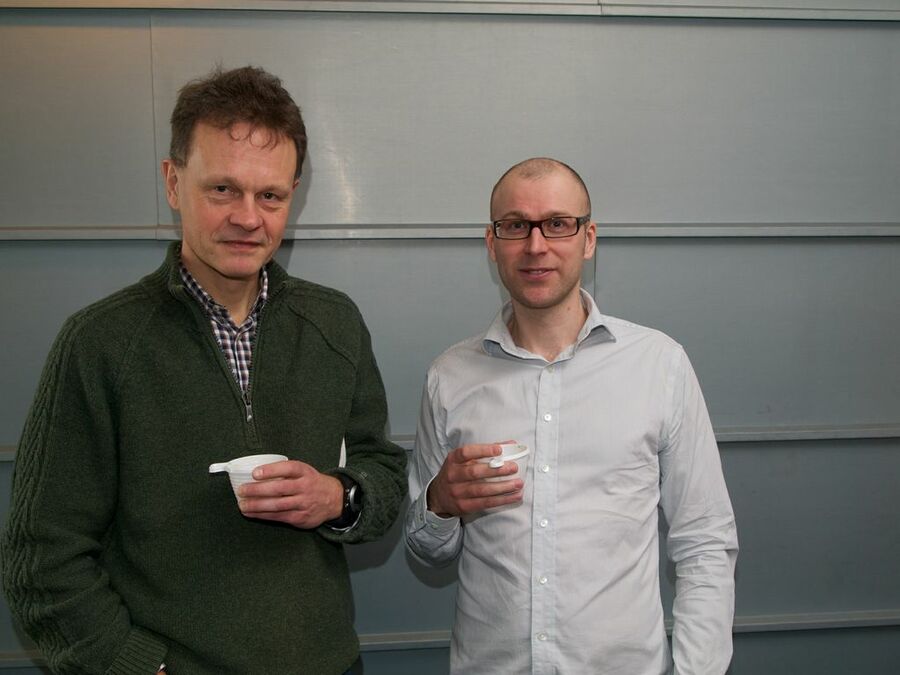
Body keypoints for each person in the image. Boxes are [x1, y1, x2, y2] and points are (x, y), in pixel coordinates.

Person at [1, 65, 407, 675]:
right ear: (172, 181)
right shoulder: (101, 343)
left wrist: (336, 496)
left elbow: (382, 470)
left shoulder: (335, 323)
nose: (249, 217)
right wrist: (139, 668)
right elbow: (41, 559)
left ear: (293, 193)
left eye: (270, 195)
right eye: (223, 189)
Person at [405, 157, 738, 674]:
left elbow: (705, 542)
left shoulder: (659, 365)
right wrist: (440, 503)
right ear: (492, 243)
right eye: (516, 226)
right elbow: (428, 551)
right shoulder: (449, 377)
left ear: (589, 238)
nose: (536, 246)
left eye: (558, 224)